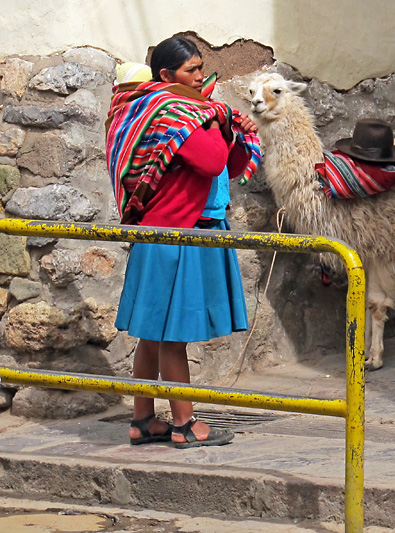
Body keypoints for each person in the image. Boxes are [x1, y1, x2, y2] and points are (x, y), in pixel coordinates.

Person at [105, 36, 261, 448]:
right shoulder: (172, 112)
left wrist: (233, 131)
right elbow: (210, 159)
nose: (200, 75)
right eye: (191, 70)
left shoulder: (189, 112)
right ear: (166, 75)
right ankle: (184, 425)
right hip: (173, 234)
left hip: (173, 232)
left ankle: (142, 420)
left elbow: (228, 165)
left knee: (152, 334)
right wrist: (216, 120)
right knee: (172, 334)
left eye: (199, 66)